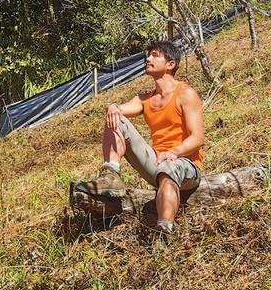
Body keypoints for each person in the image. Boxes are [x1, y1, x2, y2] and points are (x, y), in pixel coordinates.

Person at [87, 40, 205, 236]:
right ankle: (110, 175)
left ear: (170, 64)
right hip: (157, 161)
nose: (148, 58)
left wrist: (174, 152)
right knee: (117, 119)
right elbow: (121, 110)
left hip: (186, 163)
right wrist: (113, 107)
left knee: (169, 168)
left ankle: (163, 231)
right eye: (148, 55)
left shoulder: (185, 93)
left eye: (155, 55)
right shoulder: (146, 99)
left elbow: (198, 137)